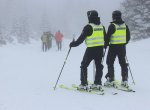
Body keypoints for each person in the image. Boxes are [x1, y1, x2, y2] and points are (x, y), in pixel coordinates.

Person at [69, 10, 106, 90]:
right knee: (99, 66)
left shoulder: (88, 27)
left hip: (91, 49)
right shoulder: (102, 26)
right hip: (100, 49)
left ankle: (84, 84)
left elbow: (80, 40)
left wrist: (73, 44)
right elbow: (105, 38)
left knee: (84, 65)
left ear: (90, 17)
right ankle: (97, 83)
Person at [104, 10, 130, 87]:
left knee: (109, 62)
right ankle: (124, 80)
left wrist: (105, 45)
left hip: (113, 47)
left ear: (113, 16)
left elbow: (107, 37)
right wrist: (124, 43)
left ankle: (111, 79)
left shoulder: (112, 26)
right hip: (122, 47)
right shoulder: (125, 25)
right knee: (123, 63)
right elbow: (128, 37)